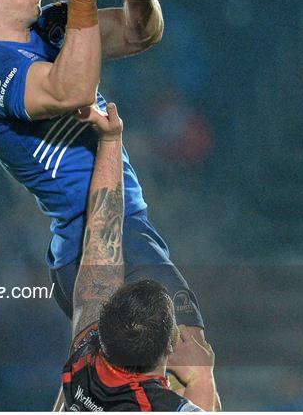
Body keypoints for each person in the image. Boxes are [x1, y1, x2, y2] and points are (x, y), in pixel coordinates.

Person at [0, 0, 206, 362]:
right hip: (92, 244)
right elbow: (72, 91)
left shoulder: (51, 24)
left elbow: (140, 33)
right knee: (190, 364)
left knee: (145, 383)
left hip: (127, 227)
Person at [60, 103, 219, 411]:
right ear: (169, 348)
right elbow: (102, 234)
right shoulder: (158, 405)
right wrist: (201, 380)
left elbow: (101, 236)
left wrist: (109, 140)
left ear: (101, 332)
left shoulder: (82, 364)